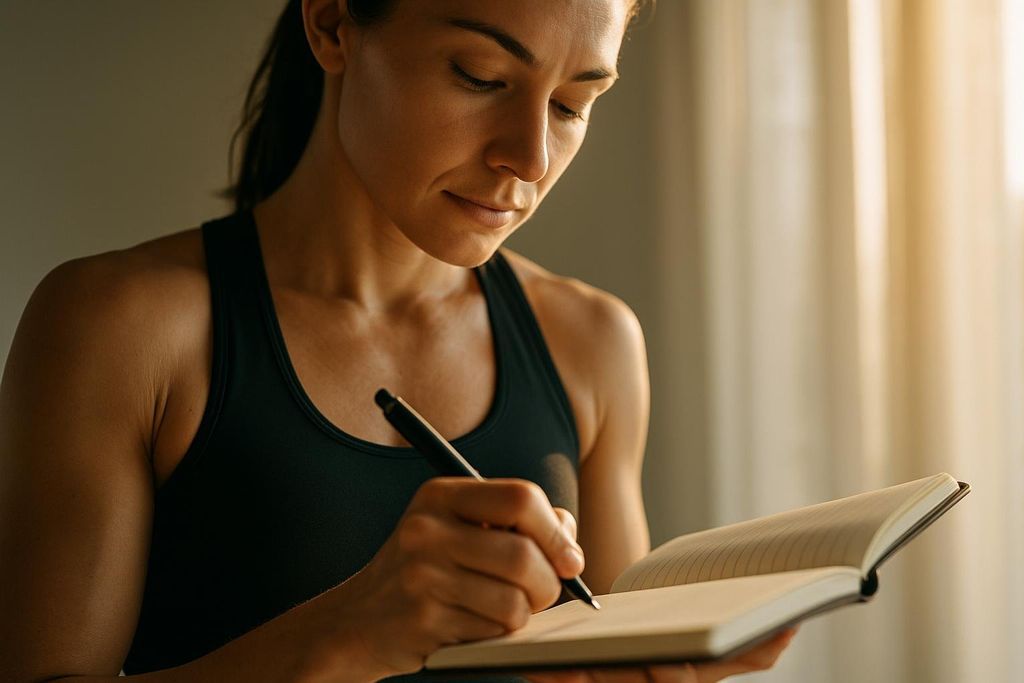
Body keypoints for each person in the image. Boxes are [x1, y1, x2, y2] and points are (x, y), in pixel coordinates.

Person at [0, 1, 797, 681]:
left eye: (571, 104)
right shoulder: (120, 328)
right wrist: (349, 632)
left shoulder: (594, 343)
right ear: (332, 23)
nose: (530, 156)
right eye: (482, 76)